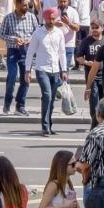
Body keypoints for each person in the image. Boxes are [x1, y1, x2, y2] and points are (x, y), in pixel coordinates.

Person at [26, 7, 68, 136]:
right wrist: (28, 70)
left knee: (52, 99)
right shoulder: (38, 33)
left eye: (53, 18)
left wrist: (64, 69)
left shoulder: (59, 33)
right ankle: (45, 126)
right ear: (44, 19)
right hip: (42, 68)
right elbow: (30, 52)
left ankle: (49, 124)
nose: (51, 20)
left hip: (55, 69)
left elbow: (62, 52)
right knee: (47, 96)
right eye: (49, 18)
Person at [0, 0, 40, 116]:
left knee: (25, 78)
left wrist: (29, 39)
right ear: (17, 5)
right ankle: (7, 103)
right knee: (11, 77)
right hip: (13, 49)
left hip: (26, 50)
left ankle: (20, 105)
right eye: (24, 5)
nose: (27, 7)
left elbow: (37, 32)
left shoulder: (31, 17)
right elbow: (1, 34)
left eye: (27, 5)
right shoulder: (8, 18)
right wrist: (14, 39)